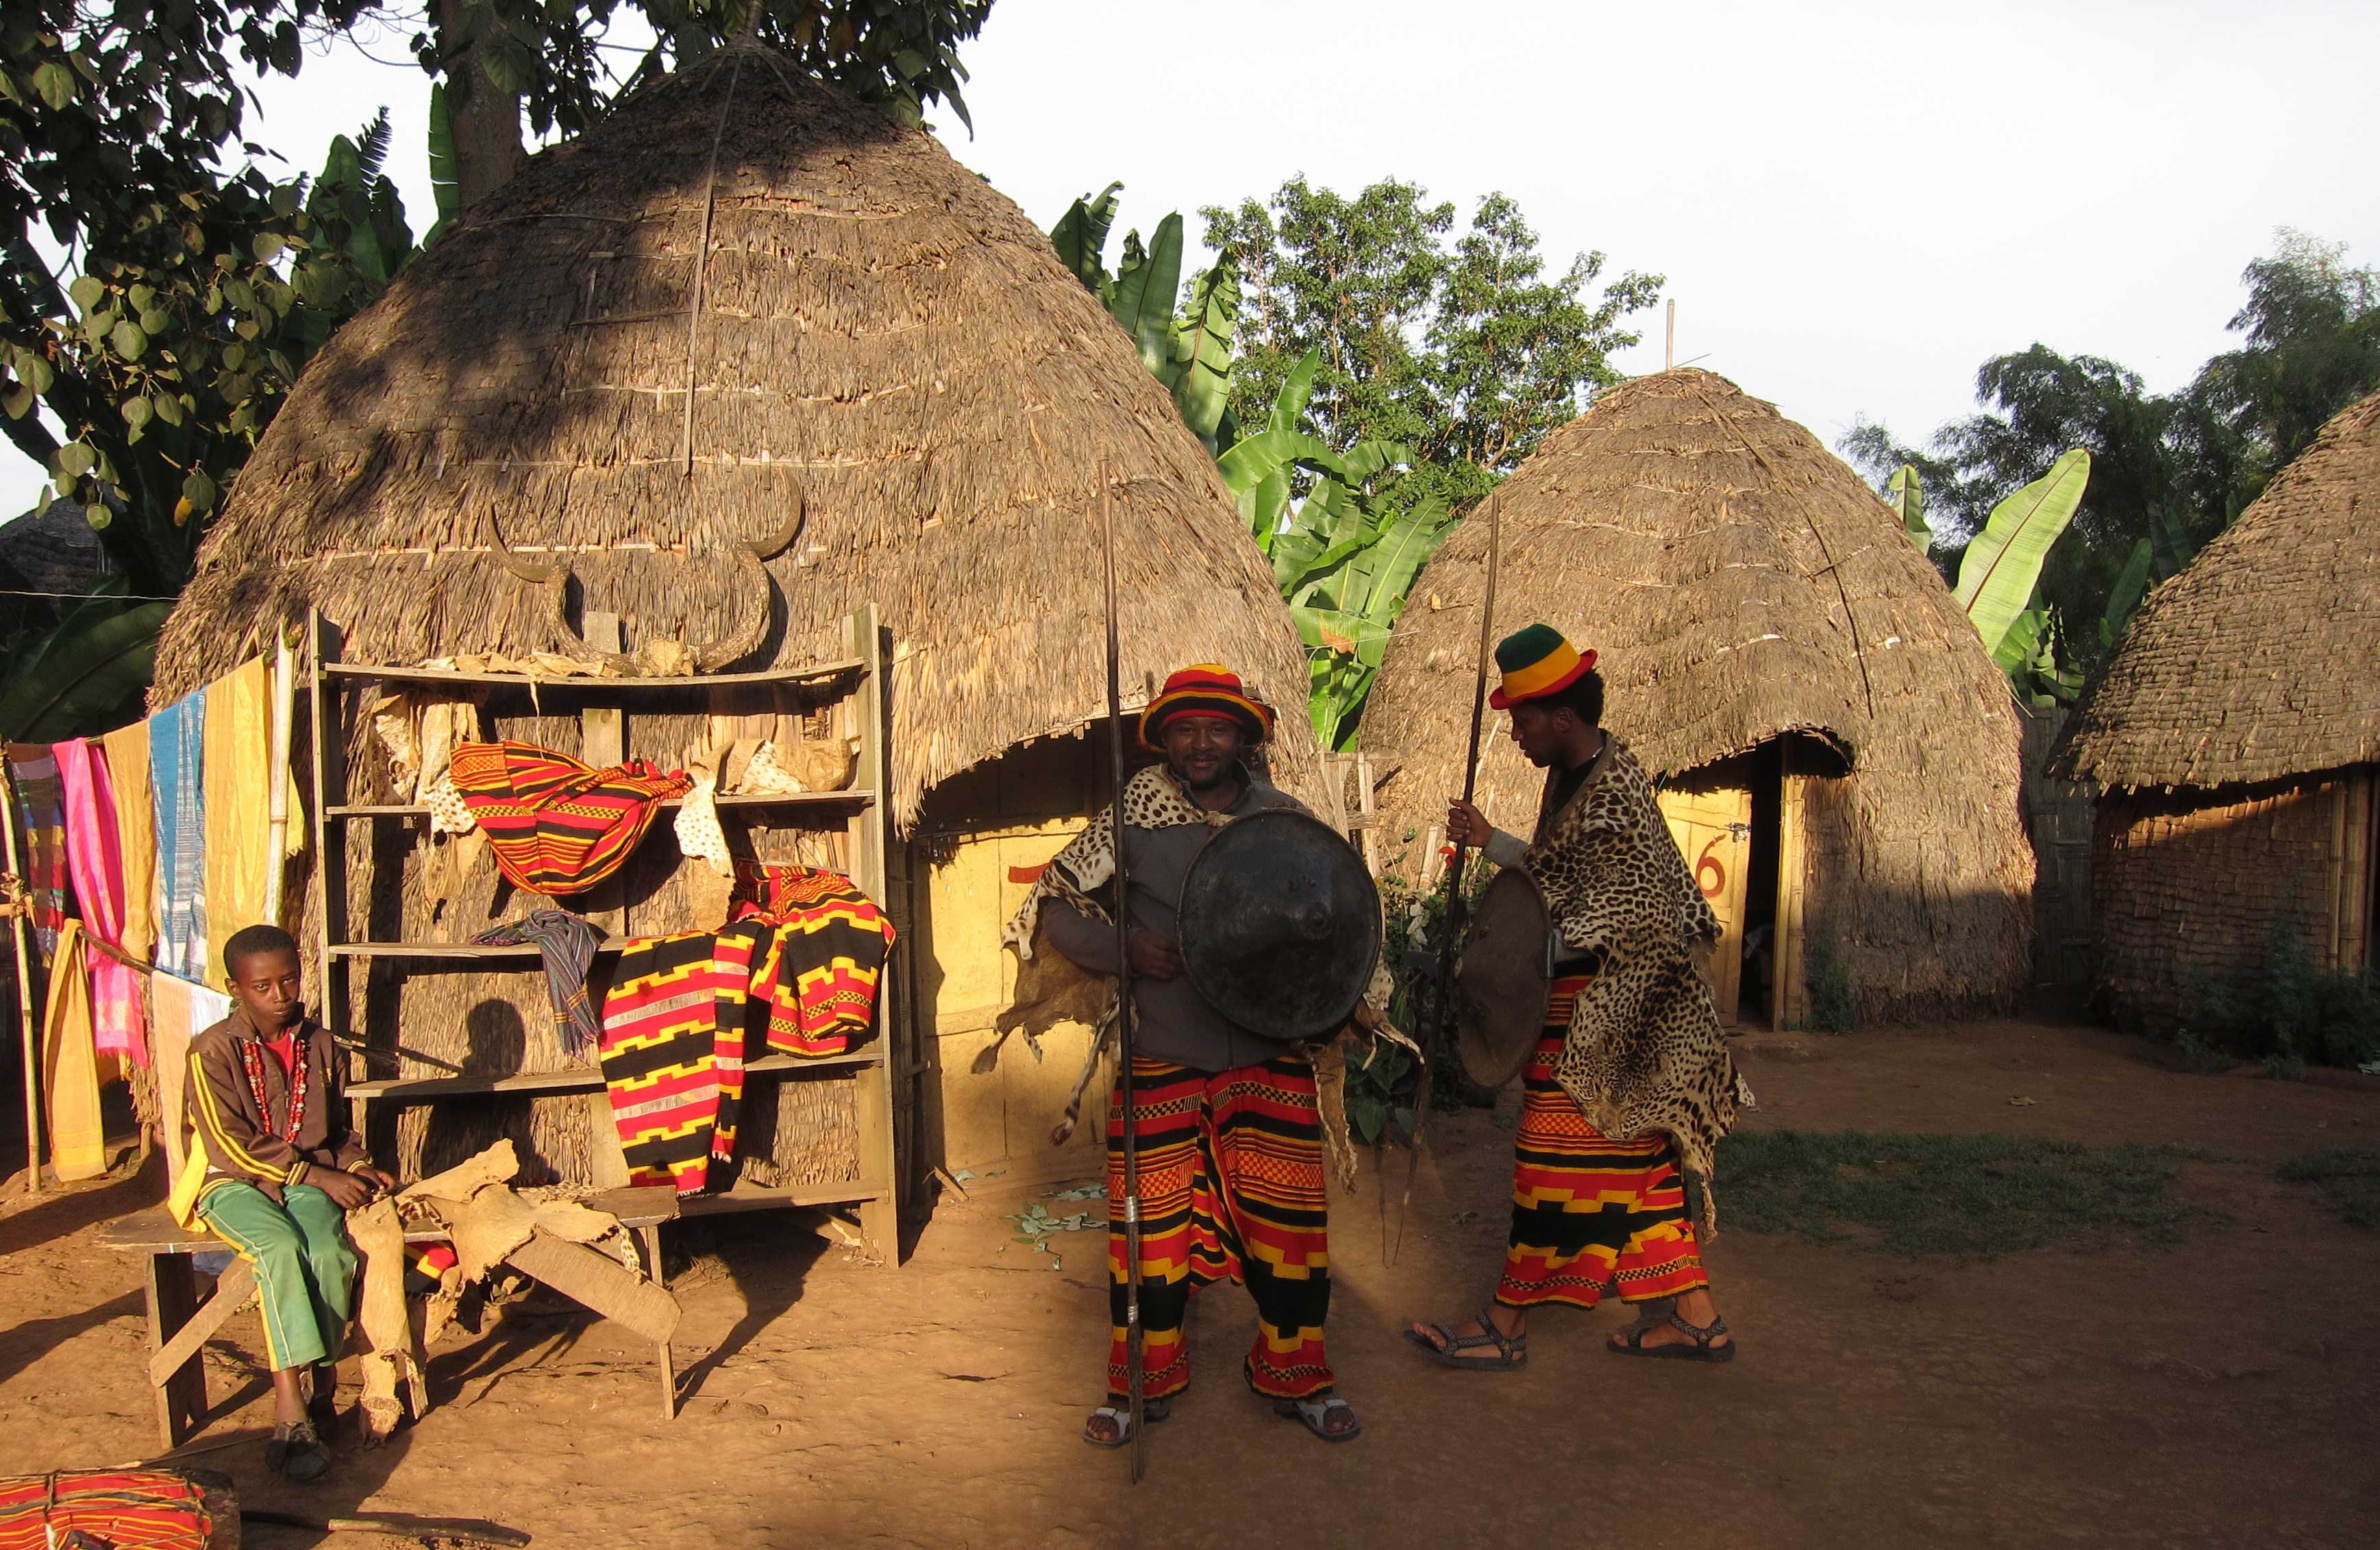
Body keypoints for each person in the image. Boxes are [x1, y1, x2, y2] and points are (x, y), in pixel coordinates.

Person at [1024, 665, 1361, 1447]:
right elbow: (1054, 903)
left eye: (1217, 728)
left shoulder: (1284, 818)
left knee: (1291, 1228)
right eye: (1184, 728)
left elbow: (1340, 916)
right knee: (1150, 1234)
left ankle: (1298, 1375)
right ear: (1165, 739)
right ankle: (1139, 1380)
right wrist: (1126, 947)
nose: (1201, 743)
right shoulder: (1133, 817)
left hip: (1270, 1055)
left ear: (1244, 737)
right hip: (1165, 1054)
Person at [1406, 625, 1746, 1369]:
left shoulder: (1614, 796)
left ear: (1562, 716)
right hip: (1591, 1001)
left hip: (1617, 1013)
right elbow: (1556, 879)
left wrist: (1497, 968)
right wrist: (1493, 842)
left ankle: (1506, 1323)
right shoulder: (1570, 775)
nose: (1517, 734)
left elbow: (1606, 916)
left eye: (1524, 720)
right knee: (1642, 1159)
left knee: (1552, 1162)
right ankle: (1696, 1318)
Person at [184, 924, 396, 1480]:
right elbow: (227, 1144)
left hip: (309, 1180)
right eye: (263, 987)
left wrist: (354, 1166)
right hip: (232, 1182)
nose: (280, 995)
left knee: (327, 1249)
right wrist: (315, 1175)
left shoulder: (320, 1044)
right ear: (236, 988)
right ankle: (291, 1408)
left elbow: (336, 1131)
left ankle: (323, 1383)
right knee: (278, 1247)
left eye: (288, 980)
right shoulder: (211, 1051)